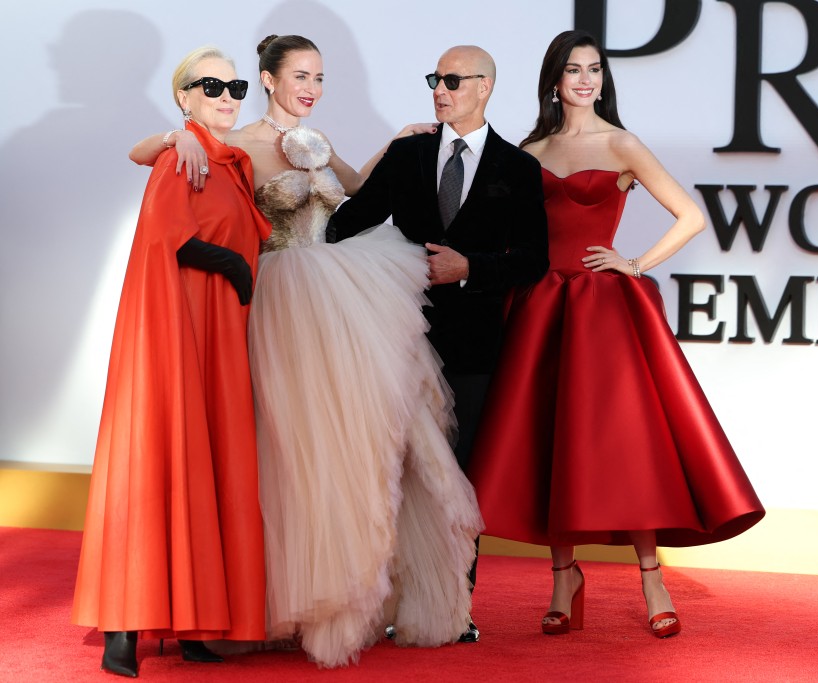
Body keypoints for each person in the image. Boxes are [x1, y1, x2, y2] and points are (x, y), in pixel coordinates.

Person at [129, 35, 483, 667]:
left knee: (353, 446)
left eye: (318, 76)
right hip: (276, 300)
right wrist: (170, 136)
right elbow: (164, 170)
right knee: (284, 449)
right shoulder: (234, 143)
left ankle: (354, 590)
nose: (311, 87)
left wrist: (396, 144)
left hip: (335, 296)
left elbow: (350, 186)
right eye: (299, 75)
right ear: (266, 80)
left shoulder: (317, 141)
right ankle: (269, 599)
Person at [467, 30, 766, 639]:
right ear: (554, 79)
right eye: (573, 69)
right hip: (541, 307)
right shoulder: (530, 149)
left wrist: (635, 264)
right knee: (553, 440)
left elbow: (691, 216)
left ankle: (652, 577)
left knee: (629, 444)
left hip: (603, 311)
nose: (585, 79)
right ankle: (563, 578)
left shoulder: (623, 143)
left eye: (595, 69)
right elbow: (507, 236)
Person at [325, 45, 550, 641]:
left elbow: (533, 261)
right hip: (398, 337)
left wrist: (469, 267)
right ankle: (388, 602)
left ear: (485, 87)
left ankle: (455, 609)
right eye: (435, 79)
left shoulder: (518, 168)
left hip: (475, 348)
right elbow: (348, 221)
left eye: (452, 80)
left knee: (459, 476)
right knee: (395, 470)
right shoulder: (409, 152)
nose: (440, 90)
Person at [71, 46, 270, 678]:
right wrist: (232, 265)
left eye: (235, 84)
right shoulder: (180, 154)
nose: (227, 95)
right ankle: (123, 627)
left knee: (201, 466)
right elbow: (168, 238)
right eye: (210, 84)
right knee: (155, 459)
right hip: (176, 331)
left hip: (215, 334)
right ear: (182, 96)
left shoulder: (225, 160)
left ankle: (190, 621)